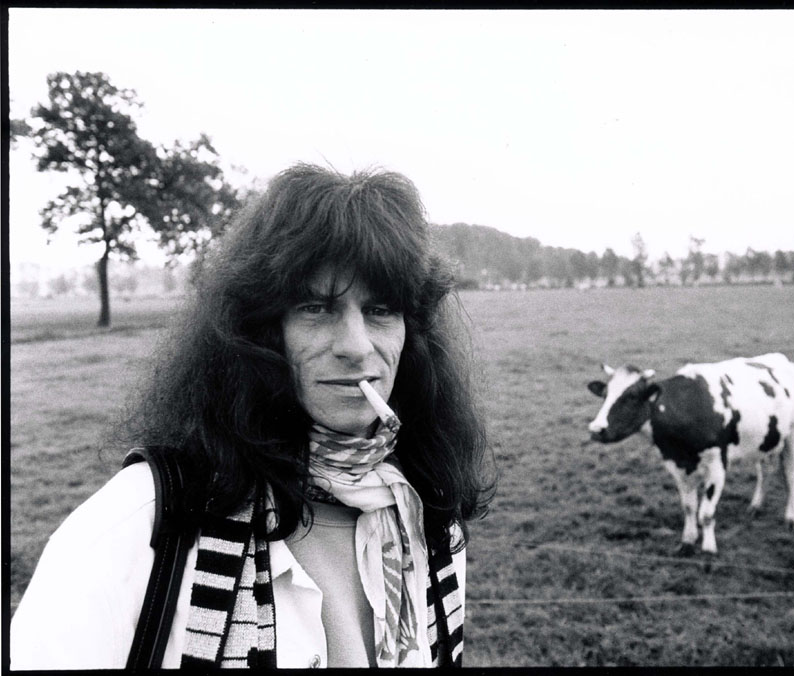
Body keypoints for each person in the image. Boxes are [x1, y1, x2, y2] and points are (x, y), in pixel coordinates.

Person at [11, 164, 496, 669]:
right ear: (259, 332)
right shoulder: (134, 528)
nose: (356, 347)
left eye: (381, 309)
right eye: (316, 307)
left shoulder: (425, 515)